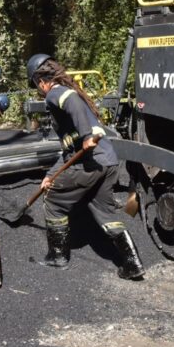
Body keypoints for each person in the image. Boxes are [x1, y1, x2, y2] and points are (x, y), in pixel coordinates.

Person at [27, 53, 145, 280]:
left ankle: (57, 257)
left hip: (90, 161)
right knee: (104, 212)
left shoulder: (55, 93)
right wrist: (50, 174)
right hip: (108, 162)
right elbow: (69, 151)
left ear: (41, 81)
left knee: (53, 200)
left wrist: (86, 135)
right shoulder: (71, 94)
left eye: (36, 86)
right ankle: (133, 264)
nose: (38, 90)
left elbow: (70, 101)